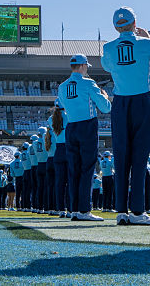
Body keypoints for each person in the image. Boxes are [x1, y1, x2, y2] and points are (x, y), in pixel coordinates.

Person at [100, 7, 150, 226]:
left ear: (115, 27)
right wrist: (149, 38)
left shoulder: (108, 48)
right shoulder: (146, 43)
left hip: (120, 103)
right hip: (142, 102)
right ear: (135, 23)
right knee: (140, 158)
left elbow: (107, 66)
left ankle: (121, 211)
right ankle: (138, 211)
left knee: (121, 158)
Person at [57, 54, 111, 222]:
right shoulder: (88, 83)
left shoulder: (62, 87)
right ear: (82, 66)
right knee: (87, 169)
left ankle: (74, 209)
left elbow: (63, 106)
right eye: (86, 66)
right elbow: (105, 108)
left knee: (74, 170)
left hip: (71, 127)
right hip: (87, 126)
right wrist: (105, 96)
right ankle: (84, 210)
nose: (87, 69)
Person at [51, 101, 70, 218]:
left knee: (59, 183)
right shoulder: (69, 116)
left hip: (58, 151)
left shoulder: (51, 119)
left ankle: (61, 209)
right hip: (68, 149)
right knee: (70, 182)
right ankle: (71, 208)